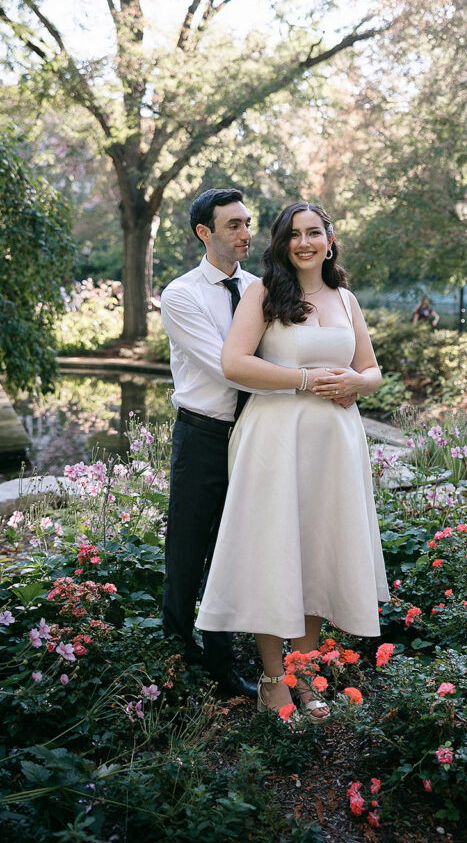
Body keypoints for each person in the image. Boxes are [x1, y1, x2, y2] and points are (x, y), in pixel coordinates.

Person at [196, 201, 390, 719]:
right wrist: (306, 379)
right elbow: (234, 363)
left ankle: (305, 677)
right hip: (276, 438)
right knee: (274, 551)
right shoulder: (265, 292)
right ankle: (273, 678)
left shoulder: (346, 299)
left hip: (334, 446)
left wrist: (355, 382)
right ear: (281, 243)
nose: (305, 243)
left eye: (314, 233)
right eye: (294, 235)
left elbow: (371, 370)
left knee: (314, 554)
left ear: (330, 240)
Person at [160, 187, 260, 697]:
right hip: (202, 437)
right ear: (205, 232)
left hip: (254, 436)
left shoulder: (262, 288)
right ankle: (174, 661)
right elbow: (229, 368)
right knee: (187, 551)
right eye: (234, 225)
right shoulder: (182, 295)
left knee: (233, 552)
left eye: (247, 222)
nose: (246, 234)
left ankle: (222, 663)